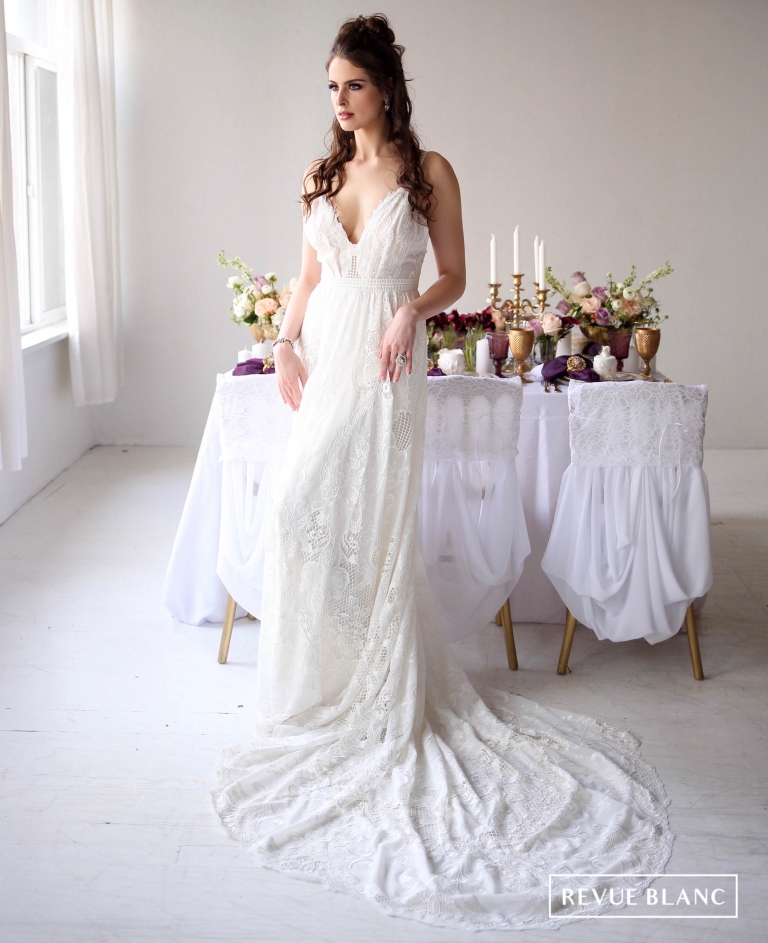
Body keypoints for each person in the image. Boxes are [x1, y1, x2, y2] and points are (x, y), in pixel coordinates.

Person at [212, 14, 673, 930]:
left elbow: (455, 275)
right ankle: (325, 682)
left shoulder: (429, 172)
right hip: (328, 356)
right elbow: (308, 278)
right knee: (301, 513)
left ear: (386, 88)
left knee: (370, 520)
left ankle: (376, 687)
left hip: (388, 361)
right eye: (331, 88)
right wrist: (286, 343)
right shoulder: (320, 176)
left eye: (352, 85)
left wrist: (408, 312)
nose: (340, 102)